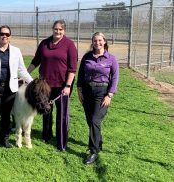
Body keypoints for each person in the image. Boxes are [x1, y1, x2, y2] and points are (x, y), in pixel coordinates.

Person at [27, 20, 78, 151]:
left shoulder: (69, 45)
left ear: (64, 31)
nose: (58, 31)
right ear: (52, 29)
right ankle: (46, 135)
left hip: (62, 86)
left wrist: (67, 85)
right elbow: (35, 61)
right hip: (45, 85)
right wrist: (25, 74)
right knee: (46, 111)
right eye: (56, 29)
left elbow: (72, 69)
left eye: (60, 29)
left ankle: (61, 142)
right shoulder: (44, 43)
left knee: (62, 114)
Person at [0, 25, 33, 154]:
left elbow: (22, 70)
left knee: (6, 117)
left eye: (7, 34)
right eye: (2, 33)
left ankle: (4, 140)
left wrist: (33, 83)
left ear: (10, 36)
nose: (4, 36)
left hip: (10, 89)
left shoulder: (16, 51)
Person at [77, 32, 119, 164]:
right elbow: (80, 75)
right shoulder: (87, 57)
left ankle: (93, 151)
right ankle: (98, 142)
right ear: (92, 42)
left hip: (102, 93)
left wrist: (109, 95)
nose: (97, 43)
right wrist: (79, 90)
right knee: (91, 121)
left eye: (100, 40)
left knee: (95, 120)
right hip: (87, 91)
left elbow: (115, 77)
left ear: (104, 41)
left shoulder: (111, 59)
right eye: (95, 40)